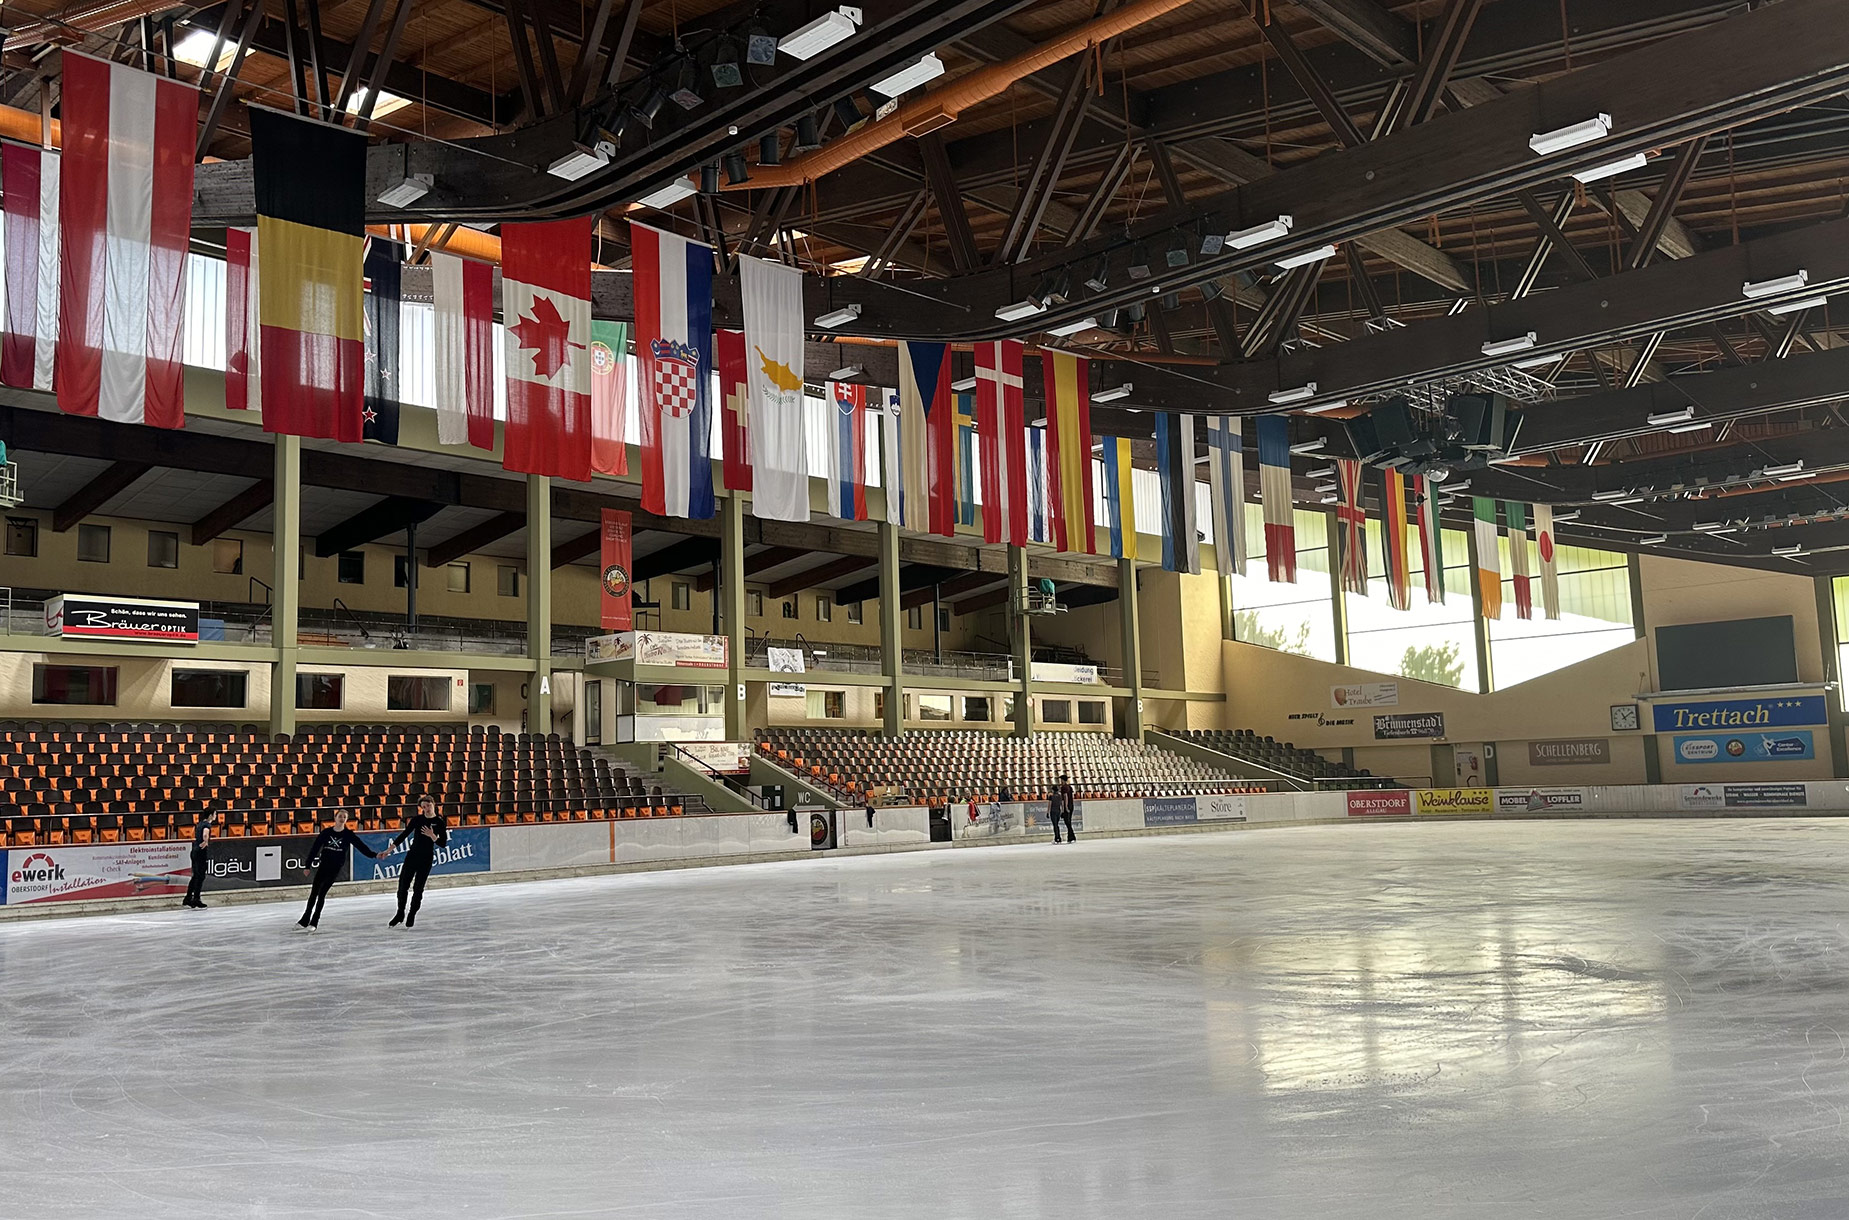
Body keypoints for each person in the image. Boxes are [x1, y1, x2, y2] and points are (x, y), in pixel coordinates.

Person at [298, 808, 379, 931]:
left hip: (335, 868)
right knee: (314, 893)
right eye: (340, 816)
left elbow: (361, 847)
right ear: (335, 818)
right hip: (323, 865)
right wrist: (307, 865)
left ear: (346, 820)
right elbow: (315, 848)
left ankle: (314, 921)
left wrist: (374, 855)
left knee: (322, 894)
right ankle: (305, 919)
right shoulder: (326, 833)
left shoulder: (348, 835)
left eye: (344, 817)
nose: (342, 819)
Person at [387, 795, 448, 929]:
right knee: (402, 886)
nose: (426, 809)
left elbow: (443, 843)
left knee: (418, 888)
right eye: (423, 807)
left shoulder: (439, 822)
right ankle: (400, 912)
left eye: (428, 805)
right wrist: (389, 849)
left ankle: (412, 914)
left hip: (426, 858)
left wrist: (432, 836)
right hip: (412, 856)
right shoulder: (417, 820)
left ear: (433, 804)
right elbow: (404, 835)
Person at [182, 811, 217, 909]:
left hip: (195, 851)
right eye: (215, 814)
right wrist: (205, 840)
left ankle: (188, 898)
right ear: (210, 815)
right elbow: (205, 833)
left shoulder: (200, 823)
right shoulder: (207, 825)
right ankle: (196, 898)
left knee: (196, 876)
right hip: (200, 852)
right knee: (200, 876)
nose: (216, 816)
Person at [1049, 774, 1077, 844]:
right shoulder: (1069, 787)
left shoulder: (1063, 787)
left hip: (1067, 805)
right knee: (1068, 821)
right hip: (1071, 804)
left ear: (1063, 780)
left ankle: (1071, 836)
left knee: (1067, 822)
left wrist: (1065, 806)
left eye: (1061, 780)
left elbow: (1065, 796)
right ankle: (1071, 837)